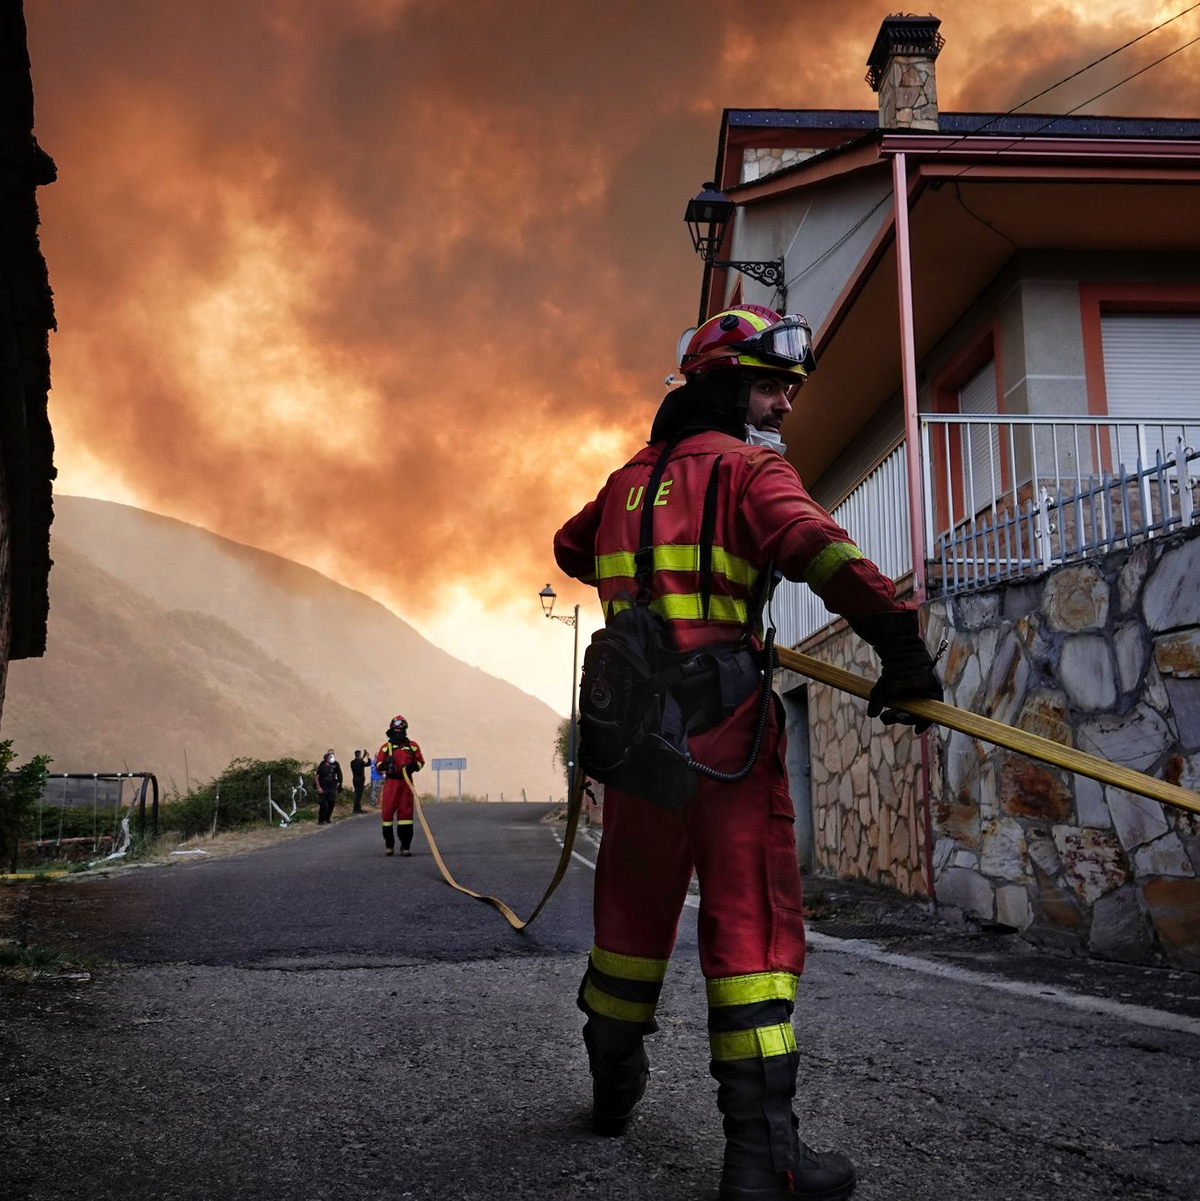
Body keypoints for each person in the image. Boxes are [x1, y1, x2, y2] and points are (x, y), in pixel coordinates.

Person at [553, 304, 943, 1201]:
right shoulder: (747, 471)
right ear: (725, 387)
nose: (785, 407)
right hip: (725, 733)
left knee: (629, 916)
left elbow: (570, 548)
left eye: (789, 389)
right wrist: (902, 650)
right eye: (770, 386)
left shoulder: (624, 483)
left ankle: (613, 1089)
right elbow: (822, 550)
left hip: (640, 736)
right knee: (752, 930)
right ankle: (764, 1158)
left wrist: (644, 570)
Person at [375, 714, 425, 856]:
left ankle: (405, 846)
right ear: (392, 729)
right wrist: (385, 764)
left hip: (406, 784)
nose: (399, 732)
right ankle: (389, 845)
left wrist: (414, 766)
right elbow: (378, 765)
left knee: (406, 816)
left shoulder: (413, 746)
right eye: (396, 729)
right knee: (387, 815)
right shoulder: (386, 748)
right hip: (391, 784)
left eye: (401, 729)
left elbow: (421, 762)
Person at [314, 750, 343, 825]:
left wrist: (339, 784)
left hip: (332, 787)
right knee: (323, 804)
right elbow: (317, 777)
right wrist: (318, 787)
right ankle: (321, 820)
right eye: (330, 756)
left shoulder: (335, 765)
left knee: (331, 802)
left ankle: (327, 818)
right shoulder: (322, 766)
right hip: (324, 787)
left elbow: (339, 774)